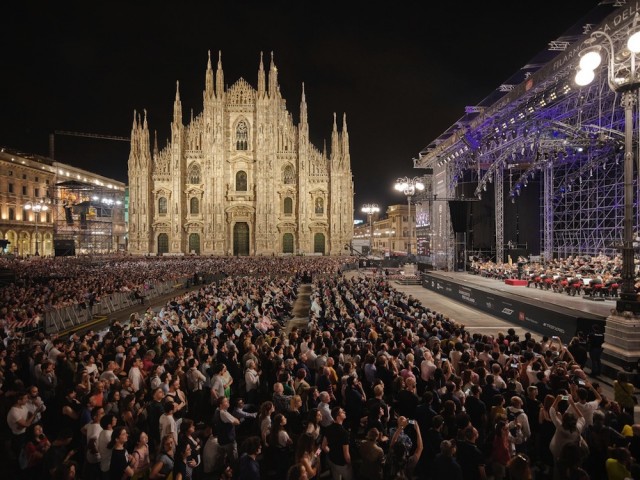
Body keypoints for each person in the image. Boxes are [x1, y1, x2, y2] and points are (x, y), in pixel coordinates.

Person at [322, 407, 352, 480]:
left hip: (332, 460)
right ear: (338, 417)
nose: (344, 412)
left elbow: (323, 446)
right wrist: (350, 464)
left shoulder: (328, 428)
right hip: (341, 463)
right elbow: (346, 454)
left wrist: (331, 452)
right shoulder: (344, 433)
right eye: (342, 412)